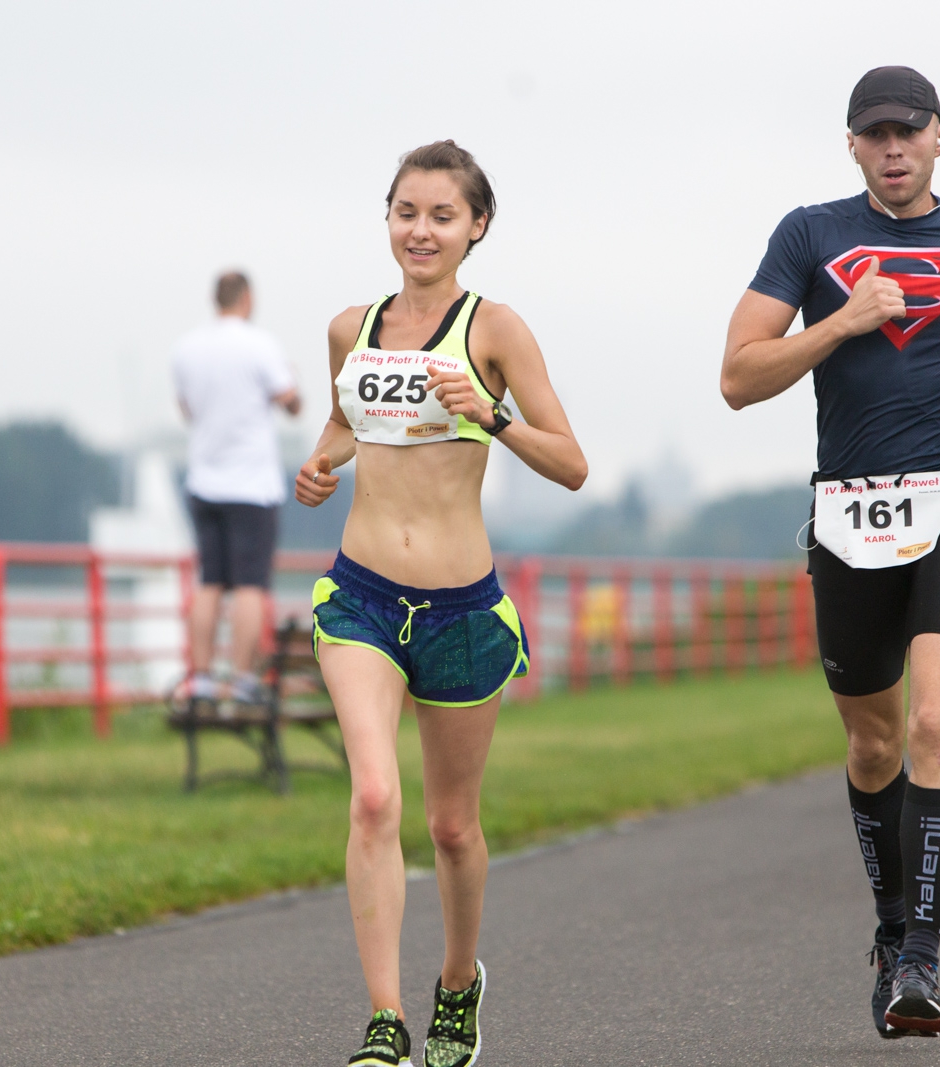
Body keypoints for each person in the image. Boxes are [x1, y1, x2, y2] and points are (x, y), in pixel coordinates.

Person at [720, 66, 940, 1039]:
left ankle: (918, 956)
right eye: (873, 133)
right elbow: (737, 377)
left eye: (906, 131)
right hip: (845, 512)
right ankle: (887, 927)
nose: (891, 147)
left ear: (939, 135)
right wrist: (839, 321)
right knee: (871, 739)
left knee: (930, 724)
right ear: (851, 145)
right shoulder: (809, 234)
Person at [294, 140, 586, 1067]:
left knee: (451, 826)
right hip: (362, 597)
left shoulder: (495, 330)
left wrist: (489, 411)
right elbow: (345, 421)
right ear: (387, 219)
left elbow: (571, 463)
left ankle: (457, 983)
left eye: (441, 216)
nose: (421, 230)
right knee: (374, 796)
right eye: (406, 212)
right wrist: (320, 464)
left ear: (476, 227)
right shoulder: (352, 325)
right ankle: (385, 1021)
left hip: (462, 607)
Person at [172, 271, 302, 709]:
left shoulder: (187, 348)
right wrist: (291, 381)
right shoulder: (260, 345)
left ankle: (203, 678)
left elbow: (187, 410)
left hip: (204, 480)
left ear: (215, 299)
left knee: (210, 582)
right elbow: (292, 403)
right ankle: (244, 679)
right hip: (250, 484)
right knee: (250, 585)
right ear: (247, 299)